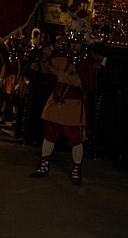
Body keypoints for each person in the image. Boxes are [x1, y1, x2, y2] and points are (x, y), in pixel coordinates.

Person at [30, 30, 94, 185]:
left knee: (75, 139)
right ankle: (44, 164)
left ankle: (77, 168)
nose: (74, 46)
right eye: (72, 43)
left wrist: (59, 74)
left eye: (77, 43)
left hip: (73, 104)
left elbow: (81, 83)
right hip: (57, 102)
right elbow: (45, 70)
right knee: (49, 134)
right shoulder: (61, 57)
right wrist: (44, 56)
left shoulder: (85, 63)